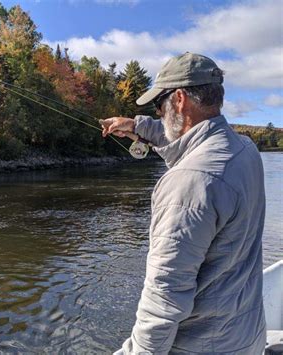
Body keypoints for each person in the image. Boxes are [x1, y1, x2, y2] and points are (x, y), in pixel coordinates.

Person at [101, 52, 266, 355]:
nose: (159, 115)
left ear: (178, 99)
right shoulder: (245, 149)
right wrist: (138, 126)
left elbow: (163, 300)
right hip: (246, 338)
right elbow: (189, 139)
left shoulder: (188, 182)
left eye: (158, 106)